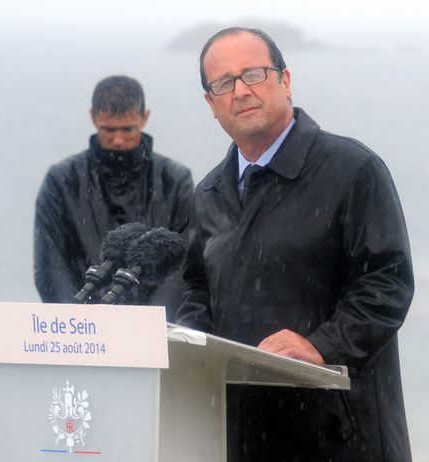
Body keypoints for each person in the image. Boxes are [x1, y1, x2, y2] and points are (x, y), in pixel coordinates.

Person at [175, 27, 414, 461]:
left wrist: (323, 345)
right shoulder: (209, 194)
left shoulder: (352, 170)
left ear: (285, 80)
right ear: (211, 105)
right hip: (244, 433)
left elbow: (387, 284)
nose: (241, 91)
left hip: (342, 433)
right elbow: (198, 289)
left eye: (253, 74)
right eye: (223, 83)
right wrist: (190, 346)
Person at [34, 75, 194, 318]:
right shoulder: (62, 180)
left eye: (128, 129)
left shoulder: (174, 179)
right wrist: (76, 321)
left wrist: (152, 323)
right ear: (93, 118)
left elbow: (184, 267)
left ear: (145, 118)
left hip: (152, 327)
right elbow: (51, 264)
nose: (118, 140)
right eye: (108, 129)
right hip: (82, 327)